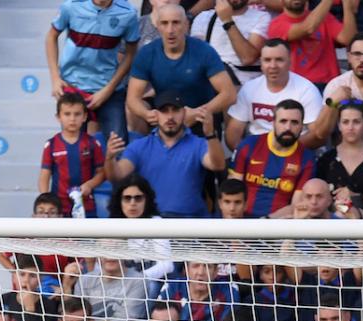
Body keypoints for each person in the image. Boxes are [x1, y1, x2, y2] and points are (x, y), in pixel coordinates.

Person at [105, 90, 226, 218]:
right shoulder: (139, 146)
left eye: (175, 110)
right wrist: (109, 158)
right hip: (152, 225)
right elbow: (117, 176)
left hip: (190, 224)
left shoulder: (199, 144)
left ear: (184, 113)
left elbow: (217, 165)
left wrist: (210, 134)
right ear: (156, 114)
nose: (170, 117)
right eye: (164, 111)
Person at [125, 5, 234, 136]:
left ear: (186, 25)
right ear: (158, 26)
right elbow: (132, 98)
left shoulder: (204, 51)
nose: (170, 30)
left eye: (176, 23)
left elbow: (229, 94)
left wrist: (197, 113)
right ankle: (142, 148)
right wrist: (147, 114)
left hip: (199, 116)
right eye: (164, 23)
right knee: (133, 110)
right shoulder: (147, 53)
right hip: (165, 115)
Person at [46, 0, 140, 143]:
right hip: (73, 87)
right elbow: (51, 36)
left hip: (109, 90)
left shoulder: (128, 13)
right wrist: (55, 78)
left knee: (118, 147)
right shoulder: (71, 6)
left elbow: (131, 53)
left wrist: (108, 90)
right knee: (73, 146)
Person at [224, 39, 324, 149]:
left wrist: (281, 152)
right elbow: (233, 134)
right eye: (267, 60)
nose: (273, 66)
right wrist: (244, 156)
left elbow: (317, 136)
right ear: (261, 63)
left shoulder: (307, 90)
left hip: (295, 152)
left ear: (290, 62)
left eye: (279, 60)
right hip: (256, 152)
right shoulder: (249, 88)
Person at [227, 99, 315, 218]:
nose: (288, 127)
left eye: (294, 122)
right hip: (242, 222)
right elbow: (232, 191)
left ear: (301, 126)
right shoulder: (249, 145)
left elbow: (296, 205)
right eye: (283, 121)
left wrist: (267, 221)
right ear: (273, 123)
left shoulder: (307, 159)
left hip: (278, 224)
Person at [315, 101, 363, 216]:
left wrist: (356, 197)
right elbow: (316, 197)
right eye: (345, 122)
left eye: (356, 122)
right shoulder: (326, 159)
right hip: (330, 223)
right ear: (339, 125)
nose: (350, 127)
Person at [37, 93, 102, 217]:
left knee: (86, 236)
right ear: (58, 117)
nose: (72, 119)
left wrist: (89, 185)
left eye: (77, 114)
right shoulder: (51, 145)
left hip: (86, 206)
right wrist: (46, 201)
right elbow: (44, 177)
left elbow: (102, 173)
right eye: (67, 114)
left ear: (84, 117)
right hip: (59, 208)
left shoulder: (93, 143)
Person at [267, 0, 358, 88]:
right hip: (297, 87)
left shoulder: (324, 16)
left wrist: (347, 6)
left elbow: (348, 39)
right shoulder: (276, 25)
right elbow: (308, 28)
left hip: (329, 84)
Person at [192, 0, 269, 86]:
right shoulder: (203, 17)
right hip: (212, 83)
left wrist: (227, 21)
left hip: (246, 86)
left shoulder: (262, 17)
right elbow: (196, 59)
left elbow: (247, 58)